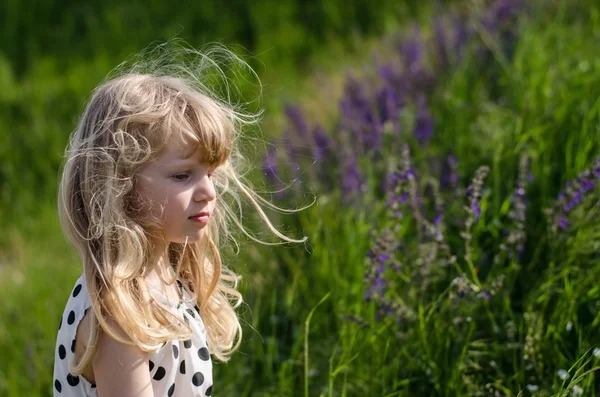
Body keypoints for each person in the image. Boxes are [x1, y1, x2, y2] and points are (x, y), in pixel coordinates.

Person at [53, 43, 308, 397]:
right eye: (182, 176)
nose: (208, 192)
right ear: (119, 186)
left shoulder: (168, 276)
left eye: (210, 173)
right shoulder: (120, 314)